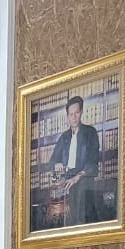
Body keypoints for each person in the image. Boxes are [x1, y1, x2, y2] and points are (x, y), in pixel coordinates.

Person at [48, 94, 100, 225]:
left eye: (76, 113)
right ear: (67, 116)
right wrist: (57, 164)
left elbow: (93, 162)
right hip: (66, 178)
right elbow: (51, 162)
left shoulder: (90, 132)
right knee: (56, 207)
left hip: (84, 179)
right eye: (71, 114)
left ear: (81, 112)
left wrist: (77, 177)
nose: (74, 117)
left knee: (80, 209)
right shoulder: (64, 137)